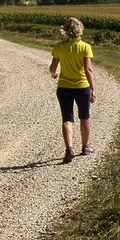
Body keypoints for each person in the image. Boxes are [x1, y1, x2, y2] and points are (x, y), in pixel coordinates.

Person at [49, 17, 97, 163]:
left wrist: (54, 74)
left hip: (64, 87)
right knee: (84, 116)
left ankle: (69, 148)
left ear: (65, 30)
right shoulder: (85, 47)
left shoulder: (59, 47)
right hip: (82, 87)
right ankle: (85, 146)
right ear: (80, 30)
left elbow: (52, 68)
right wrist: (93, 89)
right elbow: (88, 69)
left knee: (67, 118)